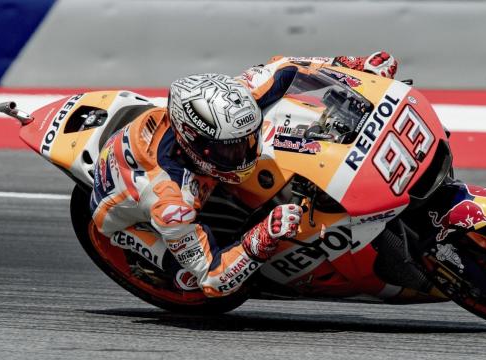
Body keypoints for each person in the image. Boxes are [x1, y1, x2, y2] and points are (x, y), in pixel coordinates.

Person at [89, 51, 398, 298]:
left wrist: (354, 67)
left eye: (248, 141)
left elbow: (288, 66)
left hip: (174, 159)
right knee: (188, 280)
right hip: (121, 215)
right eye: (230, 151)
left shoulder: (236, 101)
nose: (244, 155)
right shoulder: (170, 203)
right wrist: (261, 237)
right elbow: (212, 279)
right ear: (194, 142)